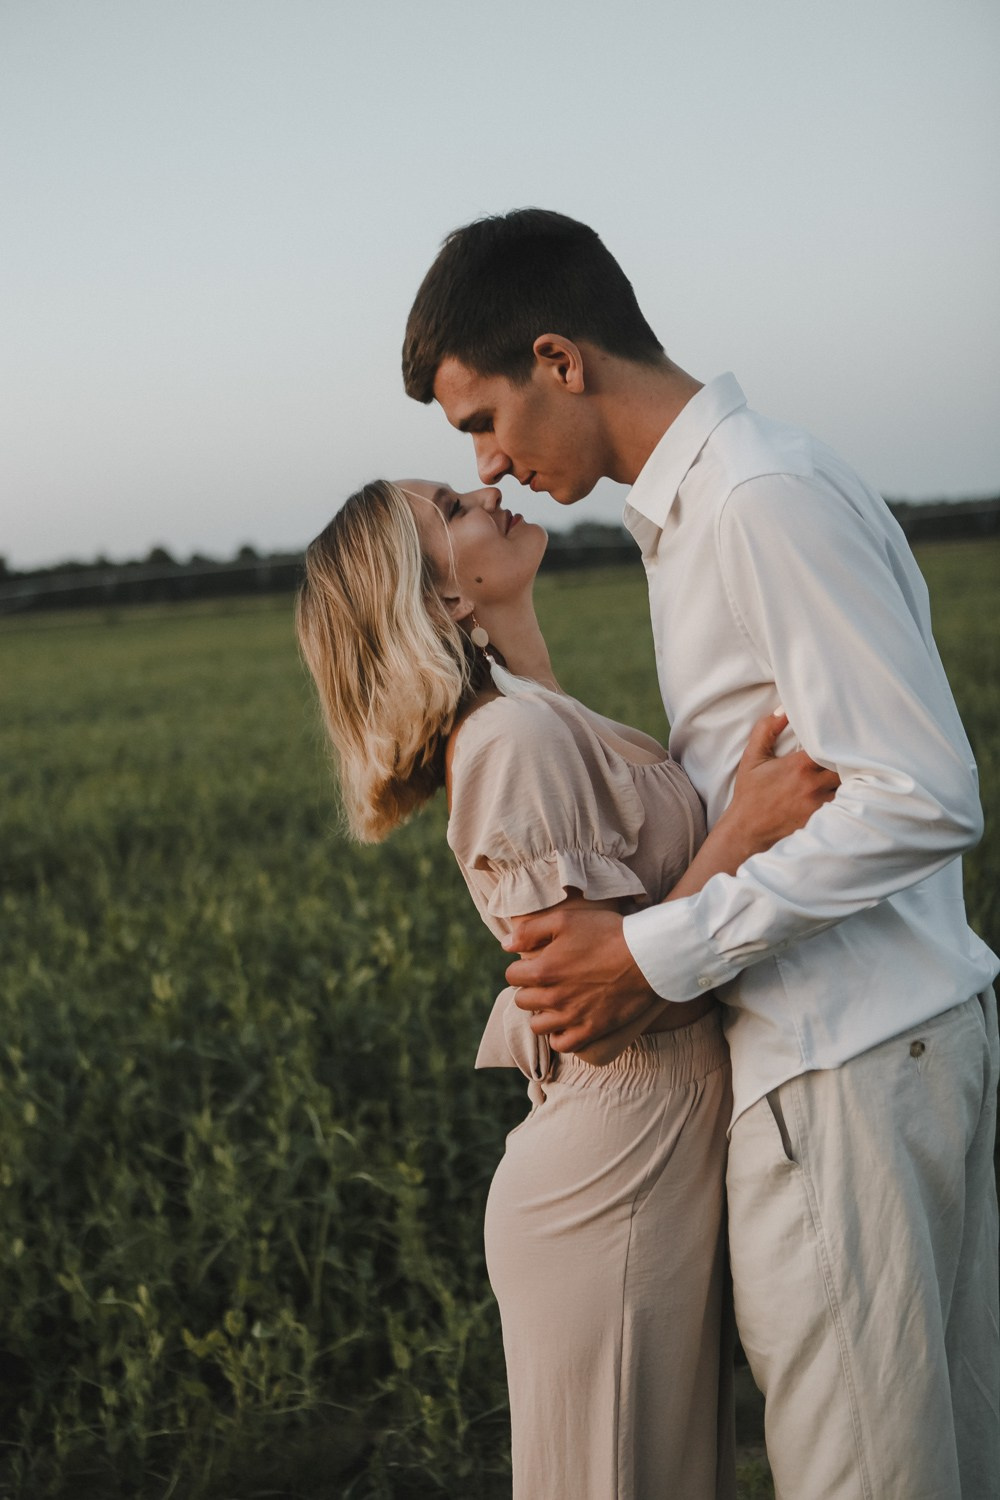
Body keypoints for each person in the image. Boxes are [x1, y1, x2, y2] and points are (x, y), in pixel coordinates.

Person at [402, 209, 1000, 1500]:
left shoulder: (751, 500)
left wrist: (654, 953)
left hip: (842, 1066)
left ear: (559, 359)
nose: (489, 465)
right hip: (884, 1049)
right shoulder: (728, 499)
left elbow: (921, 792)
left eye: (482, 421)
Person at [296, 476, 837, 1499]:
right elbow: (610, 1007)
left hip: (651, 1150)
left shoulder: (539, 712)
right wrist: (745, 827)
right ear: (439, 594)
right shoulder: (512, 743)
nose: (485, 486)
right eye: (451, 506)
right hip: (613, 1170)